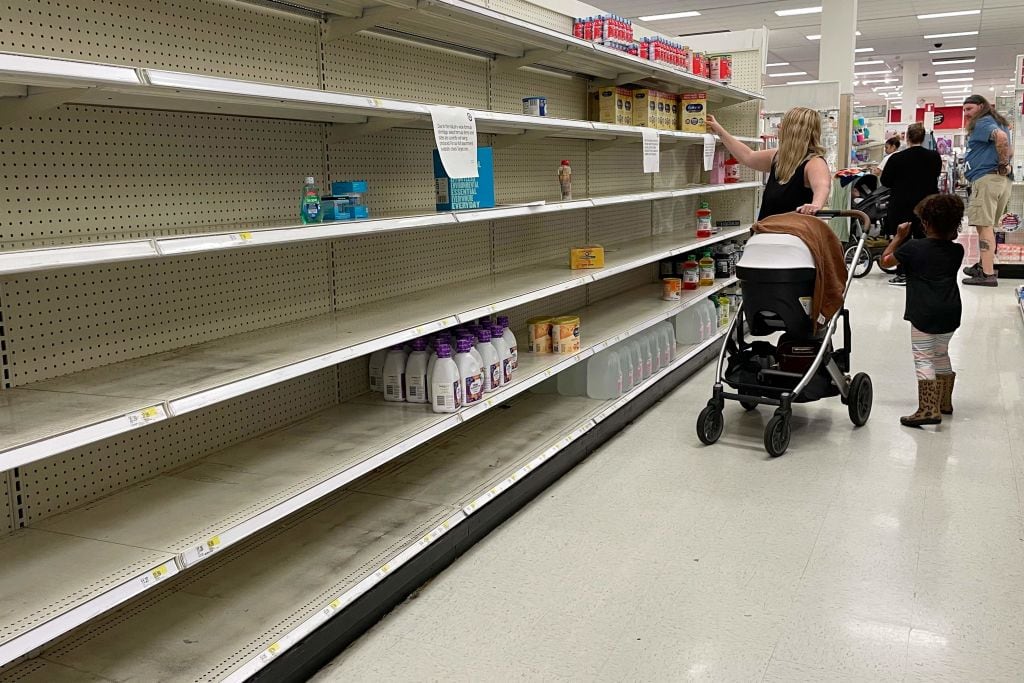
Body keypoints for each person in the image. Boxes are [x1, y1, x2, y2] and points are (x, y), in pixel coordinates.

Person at [880, 194, 964, 428]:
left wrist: (898, 237)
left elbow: (885, 261)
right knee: (941, 354)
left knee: (923, 357)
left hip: (923, 312)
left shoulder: (913, 248)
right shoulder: (957, 251)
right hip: (951, 311)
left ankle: (928, 409)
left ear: (925, 223)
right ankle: (944, 402)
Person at [708, 107, 831, 220]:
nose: (779, 126)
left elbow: (822, 187)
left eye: (784, 123)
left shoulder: (815, 163)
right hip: (767, 236)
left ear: (794, 130)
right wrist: (719, 130)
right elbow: (747, 156)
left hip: (792, 238)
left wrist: (815, 205)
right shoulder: (778, 157)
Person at [881, 123, 942, 286]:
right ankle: (923, 271)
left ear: (907, 137)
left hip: (901, 203)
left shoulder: (896, 158)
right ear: (923, 138)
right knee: (925, 236)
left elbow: (885, 180)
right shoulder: (934, 157)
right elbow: (936, 174)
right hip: (926, 204)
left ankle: (902, 273)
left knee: (902, 238)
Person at [961, 94, 1012, 287]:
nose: (966, 114)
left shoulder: (982, 122)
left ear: (981, 107)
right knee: (989, 226)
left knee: (984, 227)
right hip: (1000, 181)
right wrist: (1004, 165)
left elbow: (1000, 139)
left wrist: (1001, 164)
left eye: (969, 109)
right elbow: (1009, 146)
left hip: (987, 179)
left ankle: (987, 274)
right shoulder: (1000, 122)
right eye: (964, 109)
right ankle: (984, 265)